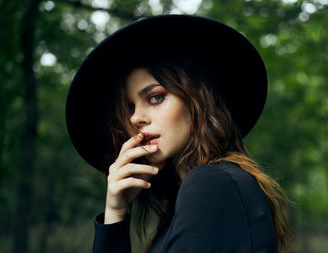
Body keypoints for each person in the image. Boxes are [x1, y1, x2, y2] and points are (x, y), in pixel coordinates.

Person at [66, 15, 293, 253]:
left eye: (155, 97)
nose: (135, 118)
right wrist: (115, 213)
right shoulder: (189, 199)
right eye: (130, 107)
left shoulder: (213, 183)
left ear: (197, 99)